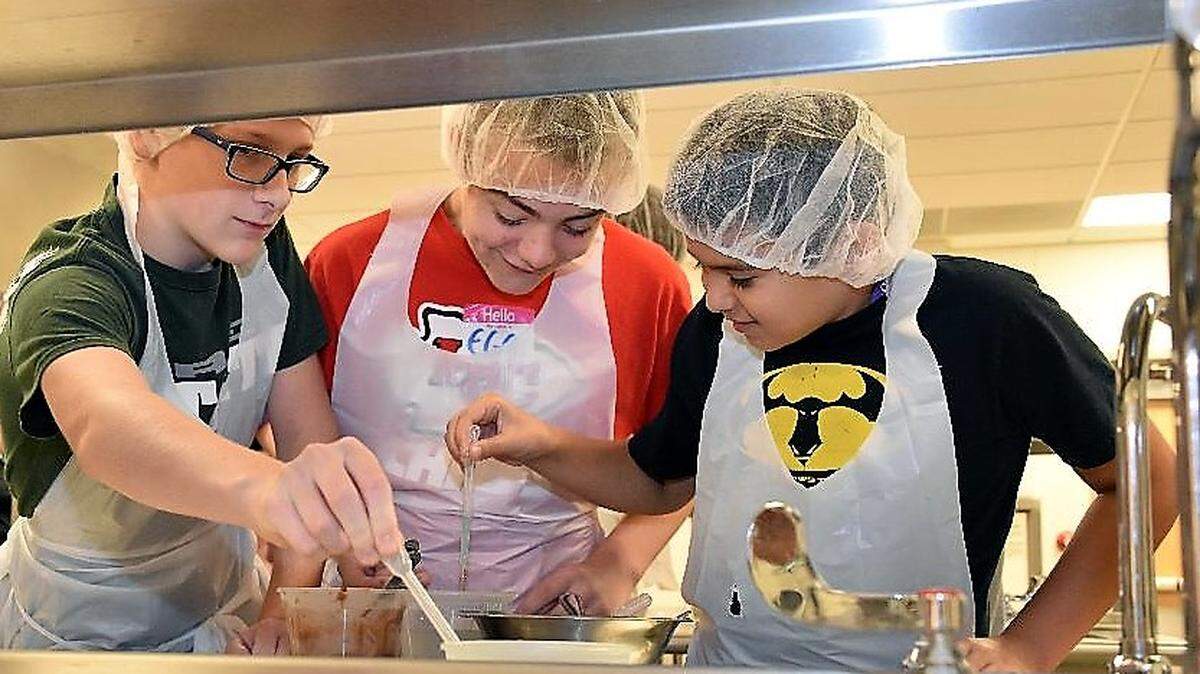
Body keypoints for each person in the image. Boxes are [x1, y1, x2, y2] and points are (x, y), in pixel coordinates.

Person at [444, 88, 1180, 671]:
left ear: (847, 242)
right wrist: (540, 444)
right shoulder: (718, 331)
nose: (712, 297)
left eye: (741, 275)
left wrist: (1028, 649)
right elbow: (662, 481)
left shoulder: (986, 317)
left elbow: (1150, 481)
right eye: (706, 266)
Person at [0, 117, 404, 652]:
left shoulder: (265, 256)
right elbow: (110, 426)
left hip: (226, 612)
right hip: (80, 634)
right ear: (148, 135)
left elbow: (308, 437)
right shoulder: (72, 280)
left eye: (294, 163)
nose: (279, 193)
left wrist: (281, 611)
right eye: (251, 153)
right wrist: (271, 489)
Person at [302, 91, 693, 616]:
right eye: (511, 216)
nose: (536, 252)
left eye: (578, 226)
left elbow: (686, 464)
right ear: (470, 160)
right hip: (369, 612)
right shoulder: (352, 262)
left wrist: (617, 564)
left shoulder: (647, 282)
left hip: (552, 619)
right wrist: (345, 539)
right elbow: (295, 435)